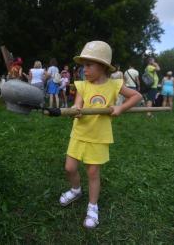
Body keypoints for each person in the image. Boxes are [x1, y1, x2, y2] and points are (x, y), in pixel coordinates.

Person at [59, 41, 141, 229]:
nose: (84, 70)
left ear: (103, 66)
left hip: (99, 136)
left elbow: (137, 97)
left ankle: (93, 206)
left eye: (88, 65)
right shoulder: (83, 85)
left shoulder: (114, 85)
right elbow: (78, 103)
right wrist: (75, 109)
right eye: (83, 66)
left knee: (93, 172)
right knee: (70, 168)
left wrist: (121, 107)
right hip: (79, 133)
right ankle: (76, 189)